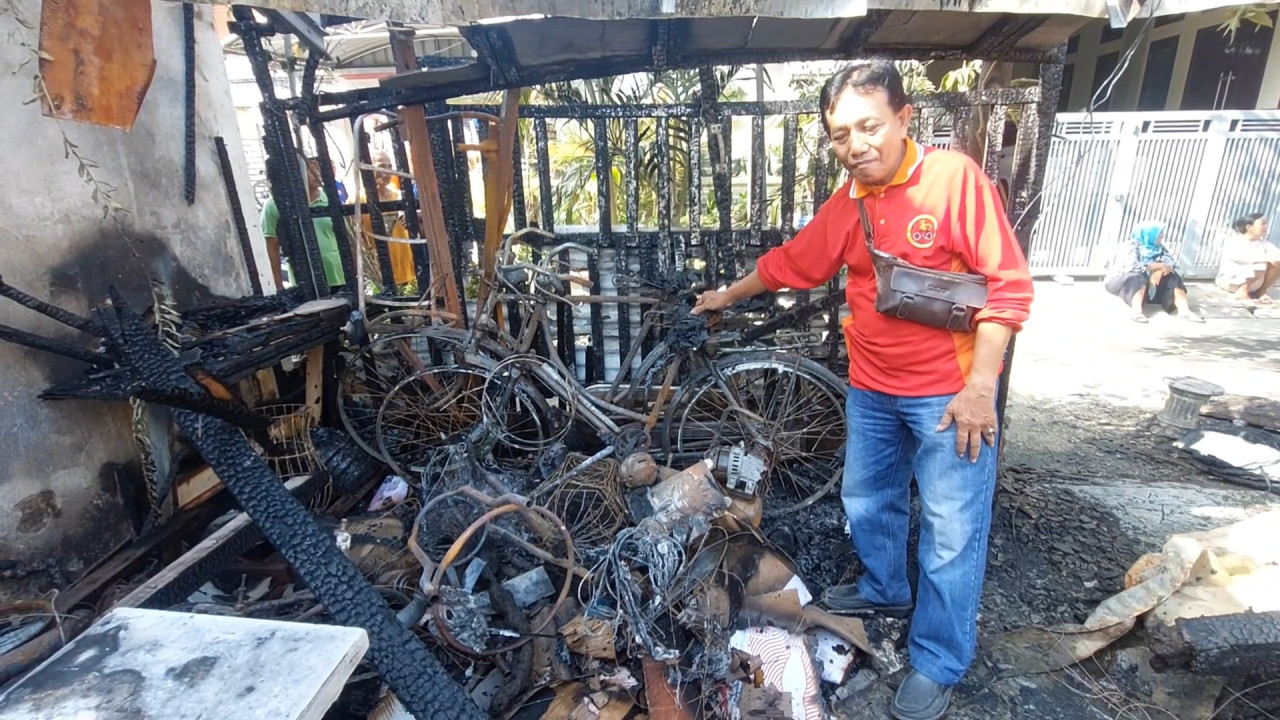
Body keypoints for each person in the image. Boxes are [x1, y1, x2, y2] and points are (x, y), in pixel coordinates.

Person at [692, 59, 1033, 720]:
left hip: (949, 398)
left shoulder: (952, 181)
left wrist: (980, 386)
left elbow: (1008, 290)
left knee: (952, 534)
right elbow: (794, 261)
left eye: (869, 126)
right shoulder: (850, 202)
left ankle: (937, 660)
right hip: (873, 390)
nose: (857, 144)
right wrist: (726, 296)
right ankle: (885, 588)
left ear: (905, 118)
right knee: (868, 500)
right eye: (842, 133)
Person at [260, 158, 346, 292]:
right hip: (302, 277)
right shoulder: (274, 205)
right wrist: (278, 285)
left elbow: (345, 238)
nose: (317, 173)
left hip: (337, 274)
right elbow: (272, 246)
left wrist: (354, 274)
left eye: (318, 169)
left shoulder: (329, 199)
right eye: (310, 170)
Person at [1103, 221, 1203, 323]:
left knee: (1173, 276)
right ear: (1148, 235)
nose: (1162, 236)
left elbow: (1171, 264)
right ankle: (1137, 312)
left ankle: (1184, 311)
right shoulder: (1132, 245)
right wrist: (1160, 265)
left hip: (1149, 285)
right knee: (1137, 276)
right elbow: (1134, 265)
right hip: (1121, 281)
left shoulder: (1159, 248)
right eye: (1160, 234)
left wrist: (1159, 272)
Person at [1217, 212, 1280, 306]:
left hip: (1255, 285)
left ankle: (1261, 292)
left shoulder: (1264, 244)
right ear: (1249, 227)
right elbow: (1238, 258)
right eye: (1262, 224)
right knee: (1261, 264)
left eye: (1266, 224)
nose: (1266, 226)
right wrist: (1264, 259)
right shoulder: (1234, 241)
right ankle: (1242, 292)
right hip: (1231, 282)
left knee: (1276, 262)